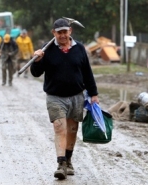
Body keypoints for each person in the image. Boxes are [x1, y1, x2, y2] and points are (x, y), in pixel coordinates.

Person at [30, 18, 99, 180]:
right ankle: (61, 164)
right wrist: (38, 61)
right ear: (54, 33)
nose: (62, 35)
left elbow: (87, 73)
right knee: (60, 128)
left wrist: (93, 93)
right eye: (59, 32)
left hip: (76, 96)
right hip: (55, 97)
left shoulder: (79, 49)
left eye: (64, 32)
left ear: (70, 31)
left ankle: (68, 159)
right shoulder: (47, 50)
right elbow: (35, 73)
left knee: (72, 129)